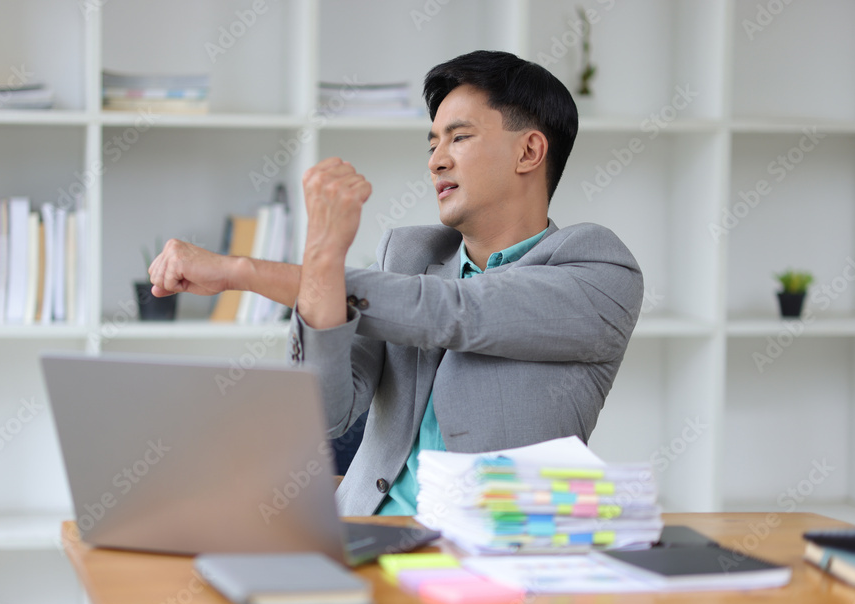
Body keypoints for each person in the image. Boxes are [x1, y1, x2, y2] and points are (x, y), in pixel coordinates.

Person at [147, 50, 643, 517]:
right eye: (432, 143)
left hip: (493, 556)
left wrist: (244, 272)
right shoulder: (410, 257)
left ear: (529, 151)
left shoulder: (596, 271)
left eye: (459, 137)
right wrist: (321, 263)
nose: (436, 160)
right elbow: (327, 412)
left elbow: (454, 311)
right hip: (365, 535)